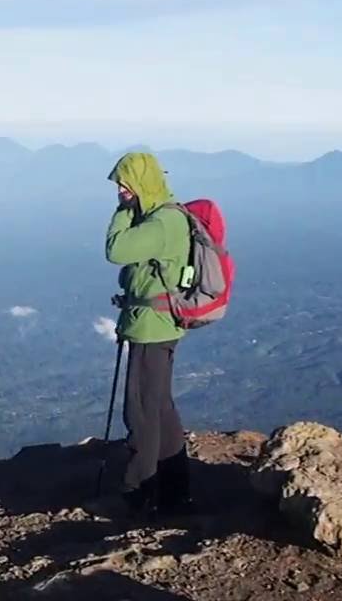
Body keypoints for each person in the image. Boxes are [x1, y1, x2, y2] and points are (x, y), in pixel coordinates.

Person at [105, 151, 193, 516]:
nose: (121, 189)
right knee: (159, 407)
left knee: (141, 410)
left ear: (144, 183)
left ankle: (138, 493)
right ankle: (175, 492)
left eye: (127, 183)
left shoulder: (161, 222)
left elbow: (115, 249)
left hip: (152, 327)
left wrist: (125, 209)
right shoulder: (165, 216)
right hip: (158, 322)